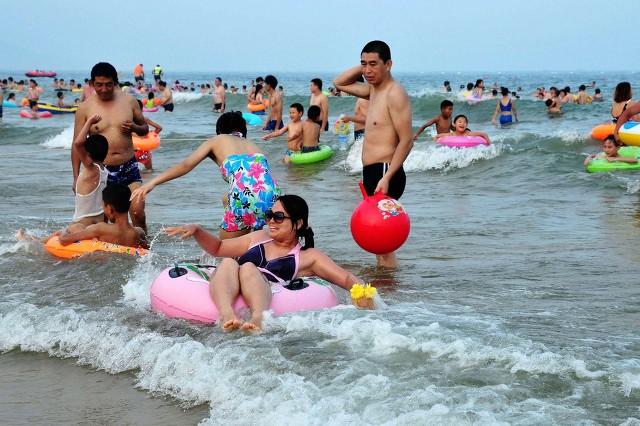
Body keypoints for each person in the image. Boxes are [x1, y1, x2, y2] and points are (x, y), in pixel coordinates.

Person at [164, 194, 369, 331]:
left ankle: (258, 318)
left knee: (248, 267)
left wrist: (368, 299)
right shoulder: (258, 237)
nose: (270, 221)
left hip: (265, 289)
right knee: (228, 262)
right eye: (269, 215)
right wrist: (197, 230)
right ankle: (226, 314)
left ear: (298, 223)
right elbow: (218, 248)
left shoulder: (308, 256)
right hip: (230, 285)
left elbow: (346, 278)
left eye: (278, 217)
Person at [131, 111, 280, 239]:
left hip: (243, 198)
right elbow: (260, 181)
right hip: (273, 197)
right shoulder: (254, 146)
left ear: (219, 131)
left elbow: (186, 165)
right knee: (227, 201)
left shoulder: (216, 140)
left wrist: (152, 183)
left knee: (225, 253)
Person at [334, 40, 413, 268]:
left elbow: (407, 141)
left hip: (386, 172)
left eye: (373, 64)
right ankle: (387, 288)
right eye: (363, 64)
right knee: (378, 239)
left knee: (384, 241)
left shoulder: (394, 94)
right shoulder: (374, 90)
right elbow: (339, 83)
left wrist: (387, 177)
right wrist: (365, 67)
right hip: (373, 171)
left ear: (389, 64)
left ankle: (389, 292)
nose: (367, 70)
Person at [72, 62, 149, 231]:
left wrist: (135, 128)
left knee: (137, 212)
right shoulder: (85, 108)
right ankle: (114, 255)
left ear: (115, 82)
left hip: (128, 166)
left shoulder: (129, 101)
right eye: (99, 85)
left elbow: (145, 129)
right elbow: (77, 143)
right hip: (101, 170)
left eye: (108, 84)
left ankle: (145, 251)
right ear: (92, 84)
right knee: (106, 218)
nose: (104, 89)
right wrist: (76, 176)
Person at [135, 99, 162, 170]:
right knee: (149, 171)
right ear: (141, 109)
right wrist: (152, 134)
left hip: (132, 152)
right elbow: (159, 128)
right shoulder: (145, 119)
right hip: (144, 152)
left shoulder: (128, 121)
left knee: (131, 173)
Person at [341, 76, 369, 141]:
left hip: (363, 132)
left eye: (351, 85)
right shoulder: (361, 97)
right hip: (361, 132)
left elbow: (368, 120)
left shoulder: (363, 99)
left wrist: (350, 118)